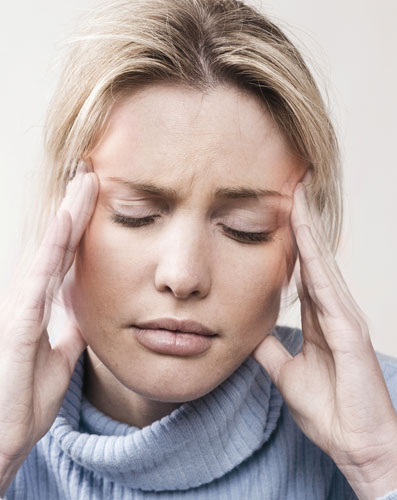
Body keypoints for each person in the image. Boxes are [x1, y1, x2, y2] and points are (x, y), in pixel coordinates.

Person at [0, 0, 396, 498]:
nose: (183, 275)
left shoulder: (385, 421)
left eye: (244, 228)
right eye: (136, 213)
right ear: (65, 217)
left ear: (300, 244)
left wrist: (379, 466)